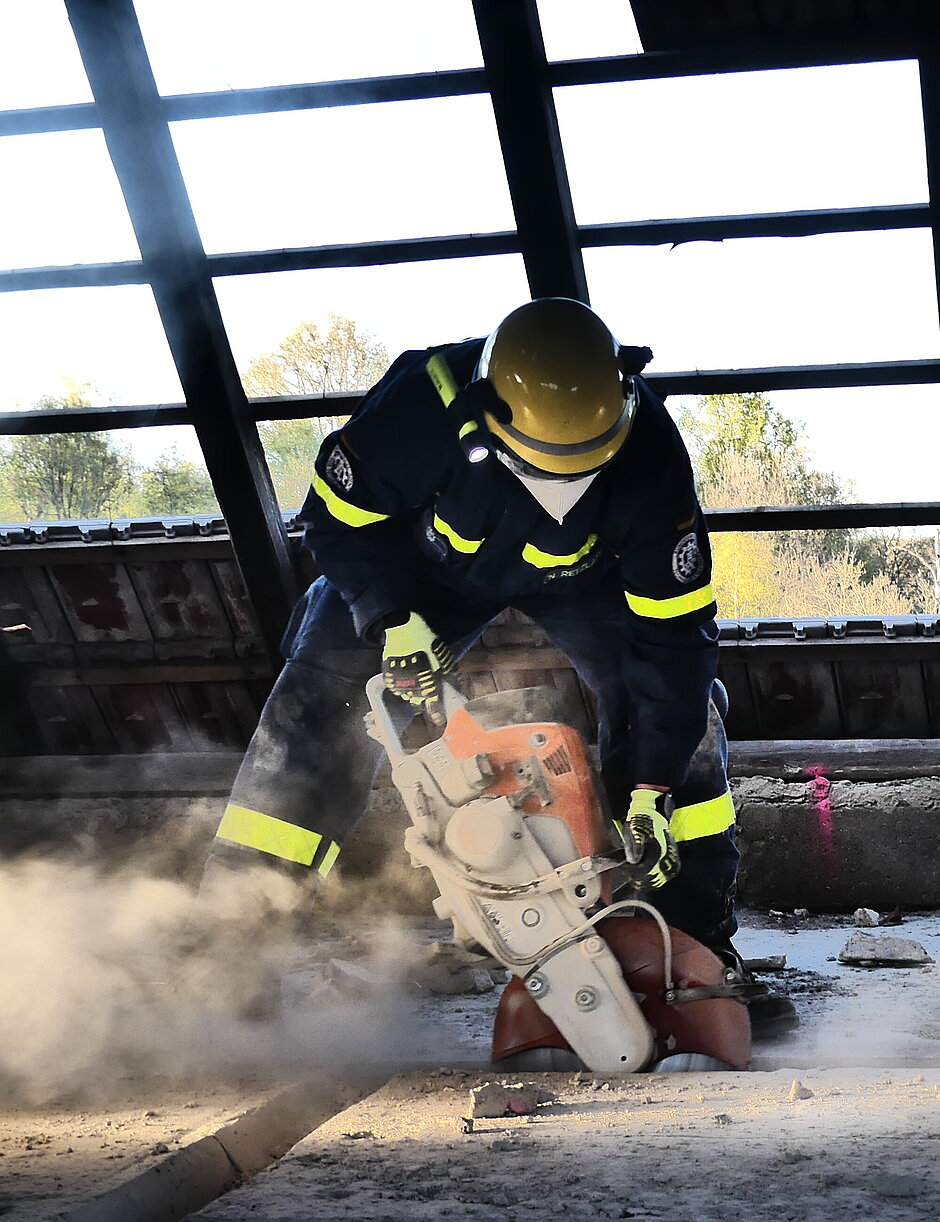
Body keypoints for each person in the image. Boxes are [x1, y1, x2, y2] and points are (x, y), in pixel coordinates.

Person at [202, 297, 797, 1038]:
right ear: (486, 418)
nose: (563, 490)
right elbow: (336, 521)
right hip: (417, 575)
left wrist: (654, 785)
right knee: (314, 706)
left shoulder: (650, 456)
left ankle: (694, 957)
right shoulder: (418, 407)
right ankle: (231, 953)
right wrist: (388, 618)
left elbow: (674, 640)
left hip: (588, 583)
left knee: (683, 725)